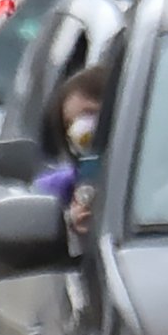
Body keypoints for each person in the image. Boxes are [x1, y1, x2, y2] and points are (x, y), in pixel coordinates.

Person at [32, 65, 106, 230]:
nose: (80, 130)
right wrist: (67, 224)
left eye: (89, 114)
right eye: (70, 123)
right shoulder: (58, 189)